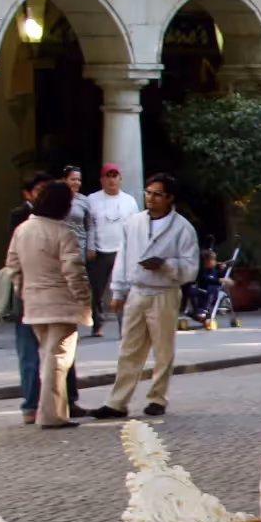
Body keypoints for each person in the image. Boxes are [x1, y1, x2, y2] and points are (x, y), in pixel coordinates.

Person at [91, 173, 197, 420]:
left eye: (157, 194)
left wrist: (166, 265)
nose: (151, 198)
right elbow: (123, 256)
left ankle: (157, 396)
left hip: (164, 292)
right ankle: (117, 401)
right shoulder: (134, 223)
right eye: (148, 193)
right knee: (129, 348)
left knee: (163, 349)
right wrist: (118, 291)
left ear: (170, 198)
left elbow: (191, 268)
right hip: (138, 290)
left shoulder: (182, 228)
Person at [6, 180, 91, 430]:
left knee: (50, 357)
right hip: (61, 304)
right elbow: (74, 272)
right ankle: (52, 415)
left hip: (33, 302)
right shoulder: (63, 232)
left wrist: (24, 289)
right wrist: (85, 299)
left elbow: (12, 266)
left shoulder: (23, 229)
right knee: (59, 360)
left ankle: (53, 412)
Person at [83, 162, 137, 339]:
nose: (111, 180)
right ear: (102, 180)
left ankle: (125, 326)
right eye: (108, 176)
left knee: (122, 289)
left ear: (120, 179)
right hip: (100, 250)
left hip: (122, 250)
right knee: (96, 290)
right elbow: (89, 225)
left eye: (115, 176)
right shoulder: (92, 199)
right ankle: (97, 324)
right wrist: (90, 246)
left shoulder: (129, 201)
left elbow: (135, 227)